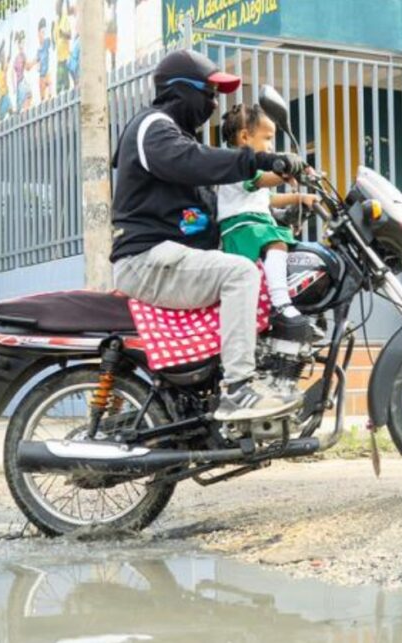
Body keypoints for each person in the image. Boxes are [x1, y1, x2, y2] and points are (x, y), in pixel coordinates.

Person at [111, 50, 305, 421]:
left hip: (166, 258)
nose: (214, 104)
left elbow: (207, 204)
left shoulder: (173, 136)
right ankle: (238, 389)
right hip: (148, 259)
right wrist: (258, 159)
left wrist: (280, 209)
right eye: (209, 93)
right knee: (240, 273)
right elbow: (194, 159)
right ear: (182, 90)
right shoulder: (154, 127)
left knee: (251, 271)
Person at [218, 104, 320, 338]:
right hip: (241, 228)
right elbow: (263, 180)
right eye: (268, 139)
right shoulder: (238, 164)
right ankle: (281, 304)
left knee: (290, 250)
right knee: (278, 242)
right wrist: (287, 168)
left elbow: (267, 199)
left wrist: (300, 197)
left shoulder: (246, 168)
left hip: (253, 226)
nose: (272, 147)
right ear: (245, 137)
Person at [13, 31, 33, 112]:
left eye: (23, 43)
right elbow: (27, 67)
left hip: (20, 83)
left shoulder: (19, 56)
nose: (22, 45)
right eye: (20, 43)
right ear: (18, 44)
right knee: (27, 96)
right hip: (21, 83)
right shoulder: (20, 56)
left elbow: (26, 68)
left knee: (25, 99)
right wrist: (35, 61)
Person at [54, 0, 72, 93]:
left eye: (57, 5)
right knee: (58, 85)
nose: (56, 8)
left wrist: (63, 33)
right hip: (59, 57)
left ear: (61, 6)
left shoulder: (65, 19)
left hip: (65, 57)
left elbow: (69, 35)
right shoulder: (56, 22)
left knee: (65, 84)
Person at [0, 37, 12, 121]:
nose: (4, 58)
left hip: (6, 95)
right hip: (2, 98)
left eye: (3, 56)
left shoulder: (5, 68)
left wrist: (10, 40)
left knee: (11, 113)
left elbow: (9, 56)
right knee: (2, 119)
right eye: (2, 56)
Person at [35, 18, 53, 102]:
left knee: (50, 92)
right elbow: (37, 63)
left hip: (47, 74)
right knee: (42, 99)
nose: (43, 35)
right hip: (41, 77)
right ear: (38, 33)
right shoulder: (38, 51)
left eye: (44, 32)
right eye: (42, 32)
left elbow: (51, 41)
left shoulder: (46, 43)